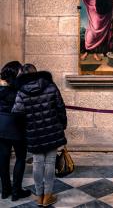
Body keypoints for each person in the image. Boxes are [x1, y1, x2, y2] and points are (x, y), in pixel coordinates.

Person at [12, 64, 67, 207]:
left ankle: (39, 196)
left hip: (33, 132)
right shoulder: (50, 85)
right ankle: (48, 195)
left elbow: (17, 113)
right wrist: (63, 124)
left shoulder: (21, 92)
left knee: (37, 162)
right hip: (52, 130)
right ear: (36, 72)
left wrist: (26, 127)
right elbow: (60, 107)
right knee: (50, 162)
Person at [0, 61, 31, 201]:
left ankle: (5, 190)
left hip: (1, 127)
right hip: (17, 127)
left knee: (3, 159)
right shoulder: (21, 90)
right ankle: (16, 191)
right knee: (20, 158)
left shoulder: (1, 89)